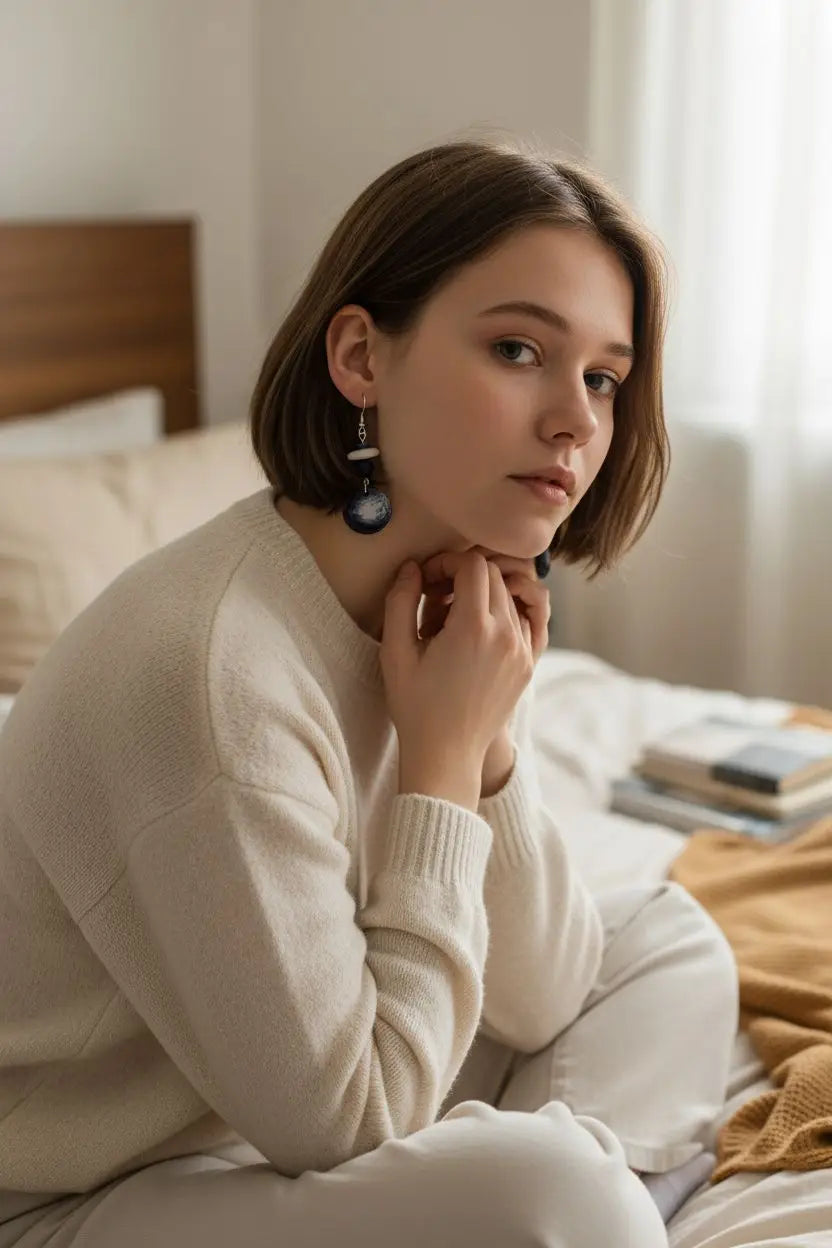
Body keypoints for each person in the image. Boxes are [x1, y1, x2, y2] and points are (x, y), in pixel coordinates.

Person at [0, 136, 738, 1248]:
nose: (578, 422)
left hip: (292, 1104)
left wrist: (483, 747)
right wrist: (440, 767)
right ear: (359, 357)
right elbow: (355, 1121)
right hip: (87, 1190)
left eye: (602, 376)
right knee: (548, 1191)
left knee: (668, 940)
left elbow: (540, 996)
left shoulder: (451, 599)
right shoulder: (210, 675)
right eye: (516, 348)